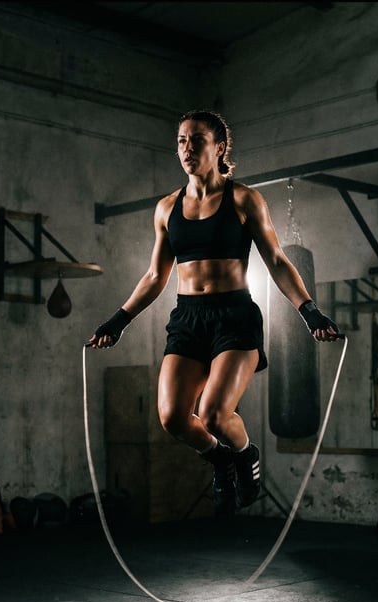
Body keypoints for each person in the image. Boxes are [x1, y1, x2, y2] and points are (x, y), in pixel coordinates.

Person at [88, 110, 340, 516]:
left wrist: (309, 312)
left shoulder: (244, 199)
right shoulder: (166, 207)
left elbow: (276, 260)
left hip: (234, 316)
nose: (187, 148)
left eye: (197, 140)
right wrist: (119, 321)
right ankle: (222, 460)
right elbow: (155, 275)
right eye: (182, 141)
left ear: (219, 147)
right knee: (172, 417)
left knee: (215, 414)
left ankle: (244, 452)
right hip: (188, 318)